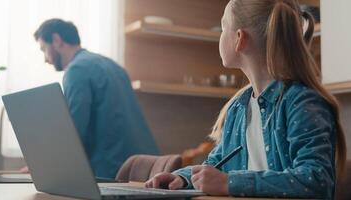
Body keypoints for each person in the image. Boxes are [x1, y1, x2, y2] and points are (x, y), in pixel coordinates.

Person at [145, 0, 346, 199]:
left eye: (223, 27)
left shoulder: (301, 103)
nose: (220, 35)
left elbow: (316, 180)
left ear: (239, 38)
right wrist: (182, 178)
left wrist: (229, 183)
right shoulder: (238, 107)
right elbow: (218, 162)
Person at [31, 18, 159, 178]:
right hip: (146, 169)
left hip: (114, 173)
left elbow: (74, 132)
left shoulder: (76, 70)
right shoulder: (113, 66)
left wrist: (44, 165)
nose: (45, 59)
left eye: (44, 49)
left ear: (56, 40)